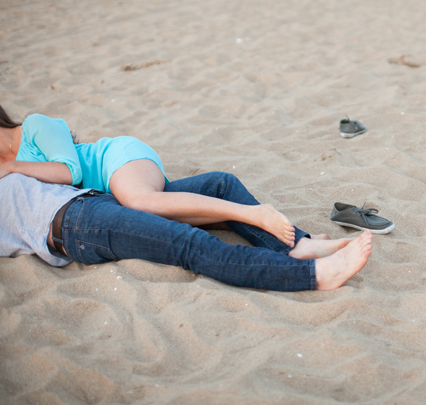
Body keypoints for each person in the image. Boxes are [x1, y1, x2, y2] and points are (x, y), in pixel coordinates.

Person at [0, 171, 372, 291]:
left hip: (98, 199)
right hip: (77, 225)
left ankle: (298, 245)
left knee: (219, 185)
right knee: (190, 244)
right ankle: (315, 274)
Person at [0, 105, 296, 248]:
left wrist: (14, 167)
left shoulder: (34, 125)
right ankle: (302, 243)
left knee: (139, 202)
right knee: (166, 215)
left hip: (115, 160)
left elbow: (70, 172)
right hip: (106, 195)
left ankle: (253, 212)